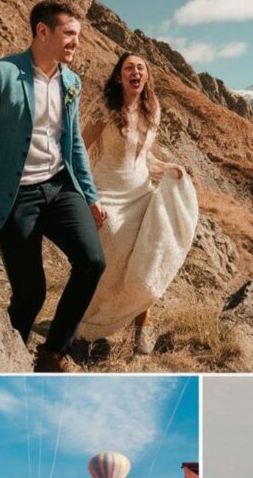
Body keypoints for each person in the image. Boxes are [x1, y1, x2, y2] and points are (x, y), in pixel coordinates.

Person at [0, 0, 107, 373]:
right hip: (14, 196)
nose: (75, 43)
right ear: (42, 31)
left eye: (78, 36)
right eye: (68, 34)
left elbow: (74, 142)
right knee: (31, 295)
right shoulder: (1, 74)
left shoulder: (71, 82)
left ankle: (52, 353)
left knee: (93, 261)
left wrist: (90, 195)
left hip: (59, 186)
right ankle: (7, 353)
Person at [79, 52, 198, 354]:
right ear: (119, 76)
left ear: (146, 77)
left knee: (150, 253)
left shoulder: (152, 109)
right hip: (107, 191)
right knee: (111, 255)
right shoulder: (106, 108)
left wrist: (170, 167)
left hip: (141, 190)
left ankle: (142, 327)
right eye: (129, 67)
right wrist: (87, 193)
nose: (135, 72)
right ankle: (89, 322)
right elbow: (80, 147)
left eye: (140, 68)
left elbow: (144, 155)